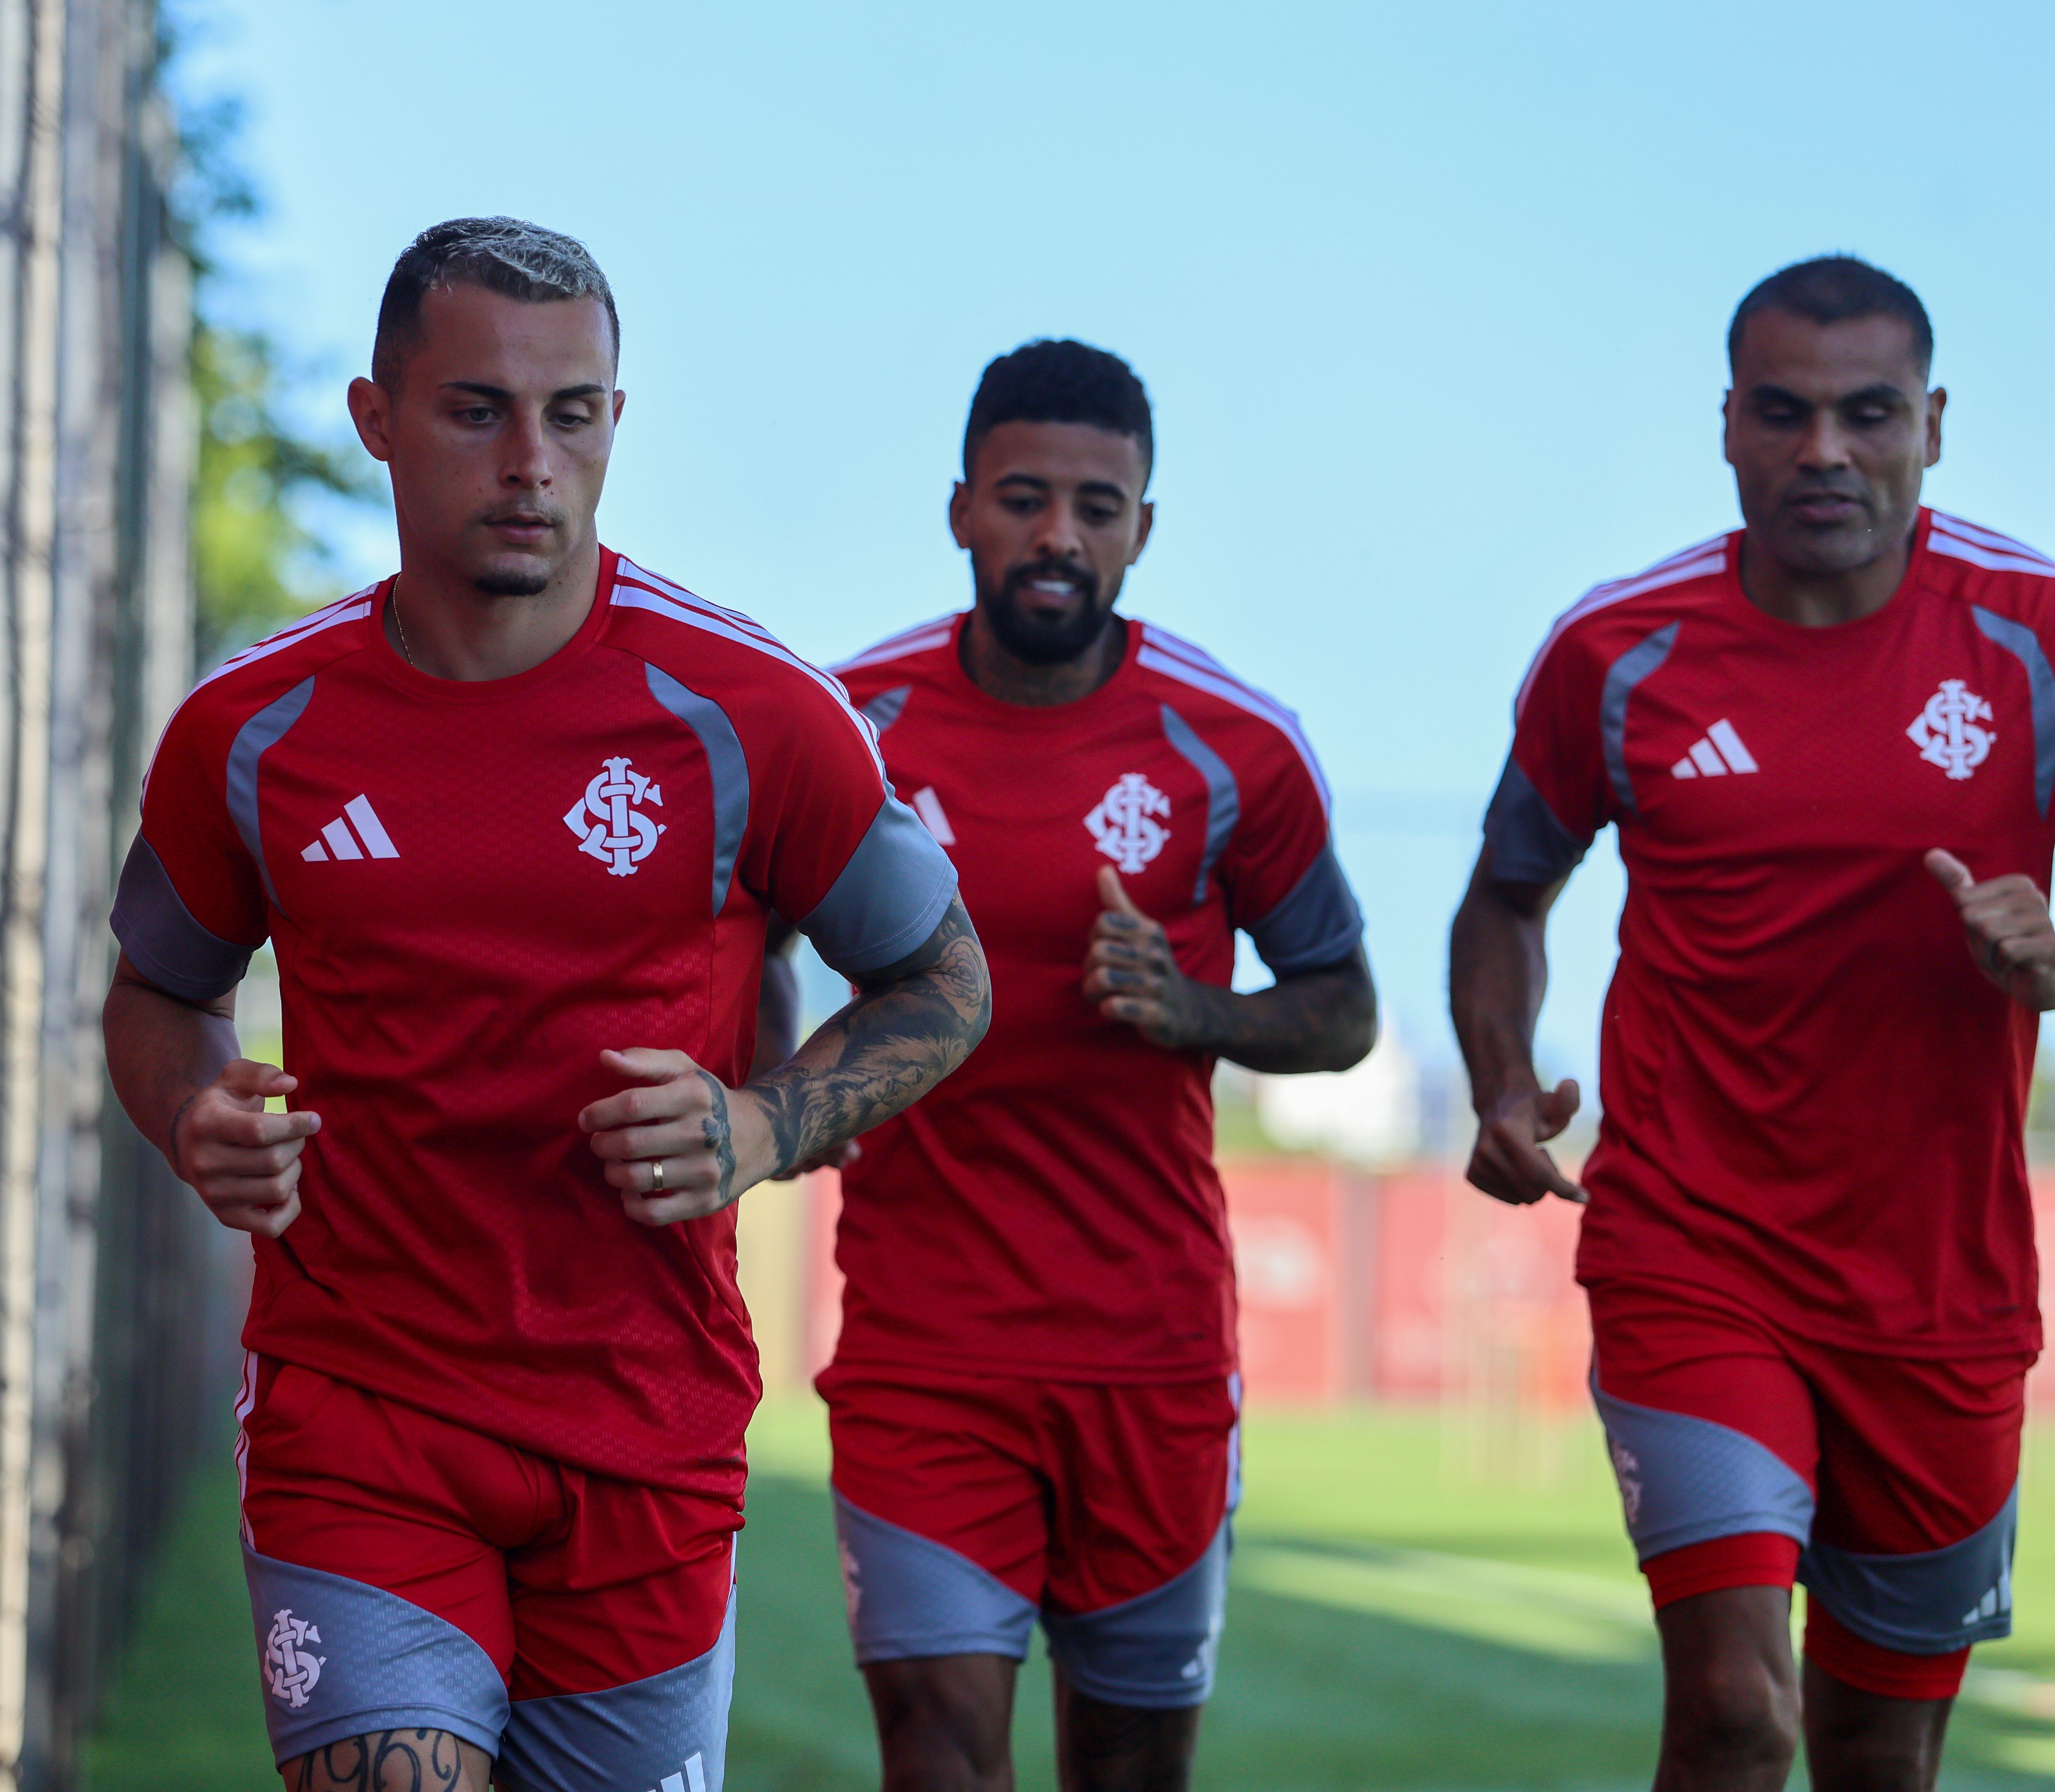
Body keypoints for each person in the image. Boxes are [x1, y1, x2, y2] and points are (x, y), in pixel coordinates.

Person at [100, 217, 991, 1792]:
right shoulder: (253, 731)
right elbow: (159, 998)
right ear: (376, 419)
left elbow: (944, 981)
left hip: (647, 1426)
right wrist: (193, 1110)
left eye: (572, 414)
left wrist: (759, 1123)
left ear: (614, 425)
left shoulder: (755, 714)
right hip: (361, 1406)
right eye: (477, 411)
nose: (532, 461)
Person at [1450, 256, 2055, 1792]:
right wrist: (1504, 1080)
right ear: (1728, 427)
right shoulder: (1618, 655)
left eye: (1866, 415)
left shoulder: (2036, 637)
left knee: (1878, 1756)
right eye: (1783, 415)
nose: (1824, 453)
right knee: (1736, 1713)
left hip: (1942, 1289)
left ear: (1935, 424)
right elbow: (1505, 898)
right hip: (1694, 1249)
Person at [774, 339, 1376, 1792]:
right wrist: (779, 1087)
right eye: (1026, 498)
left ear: (1143, 531)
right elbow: (735, 941)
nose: (1061, 536)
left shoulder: (1236, 749)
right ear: (964, 510)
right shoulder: (852, 728)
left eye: (1098, 507)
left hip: (1151, 1356)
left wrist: (1199, 1012)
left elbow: (1344, 1008)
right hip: (928, 1344)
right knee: (936, 1753)